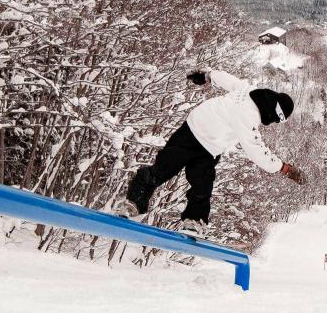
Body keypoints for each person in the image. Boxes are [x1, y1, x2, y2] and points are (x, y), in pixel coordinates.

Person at [116, 68, 307, 238]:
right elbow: (256, 150)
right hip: (192, 135)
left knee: (197, 182)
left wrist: (207, 75)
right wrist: (284, 168)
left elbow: (227, 79)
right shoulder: (248, 117)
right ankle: (137, 205)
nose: (272, 123)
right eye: (277, 120)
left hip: (205, 143)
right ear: (274, 112)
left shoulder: (248, 90)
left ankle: (186, 218)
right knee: (169, 172)